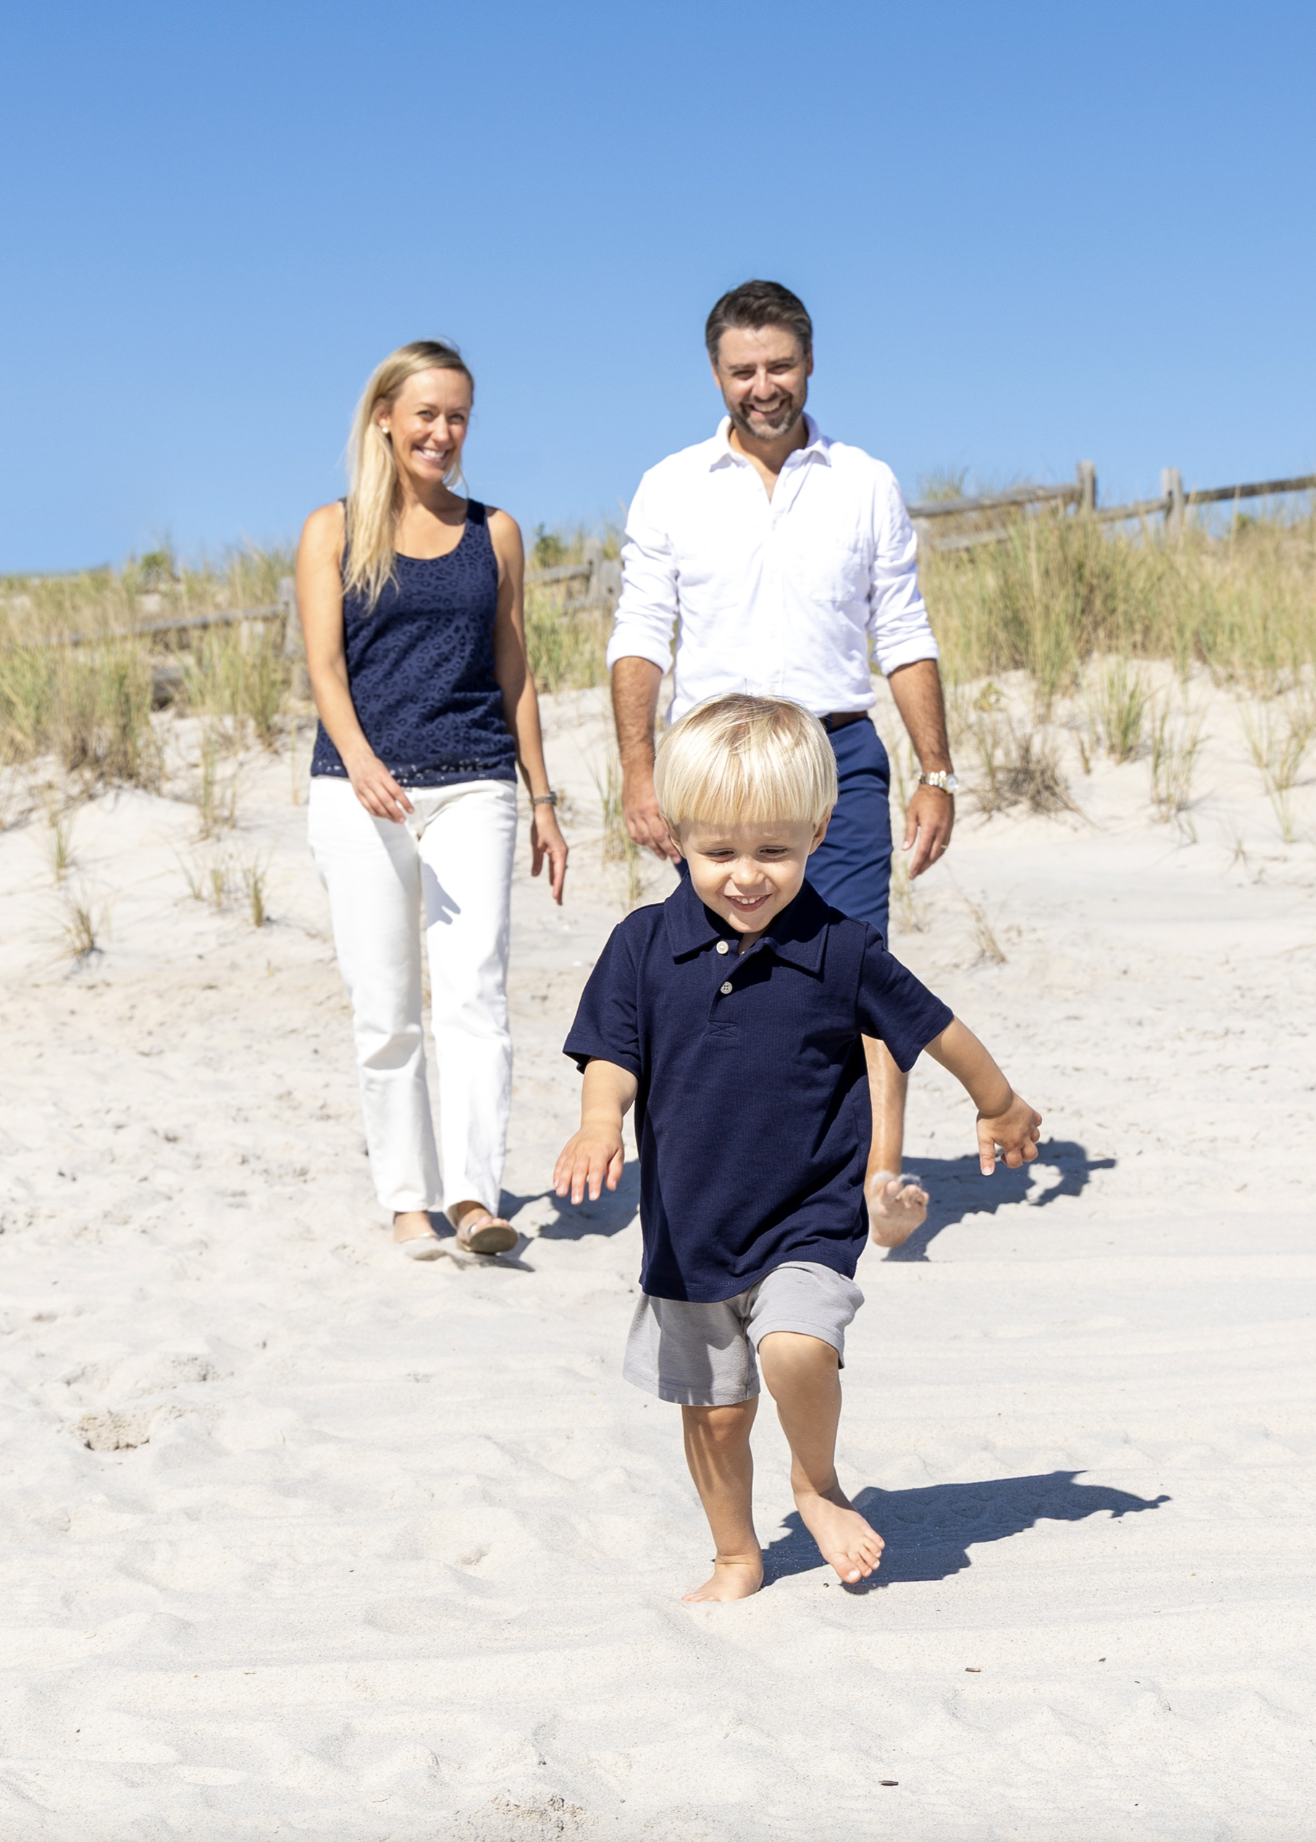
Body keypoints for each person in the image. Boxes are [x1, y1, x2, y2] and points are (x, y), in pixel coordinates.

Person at [554, 696, 1039, 1600]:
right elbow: (613, 1055)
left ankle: (815, 1482)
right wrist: (597, 1123)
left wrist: (999, 1101)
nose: (747, 877)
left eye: (775, 851)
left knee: (794, 1348)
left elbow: (937, 1029)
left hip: (806, 1222)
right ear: (676, 838)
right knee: (716, 1413)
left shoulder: (840, 948)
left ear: (818, 831)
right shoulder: (641, 944)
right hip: (690, 1235)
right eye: (720, 852)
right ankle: (737, 1553)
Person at [609, 279, 958, 1244]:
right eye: (743, 370)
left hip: (839, 750)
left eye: (780, 365)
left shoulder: (866, 481)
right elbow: (640, 633)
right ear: (716, 374)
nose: (763, 386)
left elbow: (904, 631)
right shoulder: (671, 484)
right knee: (720, 966)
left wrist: (936, 770)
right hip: (714, 760)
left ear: (810, 363)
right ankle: (731, 1165)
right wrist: (641, 774)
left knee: (859, 962)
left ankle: (881, 1174)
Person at [298, 340, 568, 1260]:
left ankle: (473, 1198)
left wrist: (542, 796)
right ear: (385, 417)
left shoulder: (494, 532)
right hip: (358, 792)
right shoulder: (332, 530)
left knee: (474, 997)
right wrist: (362, 759)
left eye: (456, 416)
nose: (442, 433)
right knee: (386, 1003)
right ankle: (407, 1199)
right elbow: (326, 668)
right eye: (425, 414)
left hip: (476, 785)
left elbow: (514, 667)